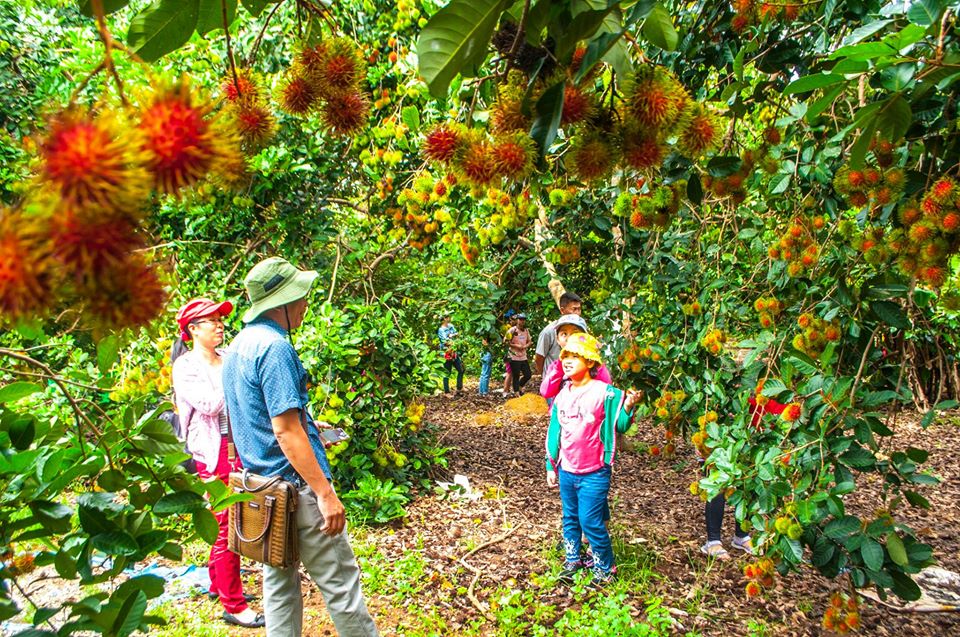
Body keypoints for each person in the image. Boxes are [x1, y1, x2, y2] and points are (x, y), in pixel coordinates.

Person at [221, 257, 378, 637]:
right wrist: (324, 493)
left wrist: (307, 423)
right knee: (342, 587)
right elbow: (285, 431)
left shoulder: (239, 345)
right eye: (302, 297)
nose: (306, 303)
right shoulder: (274, 348)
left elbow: (254, 417)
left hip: (261, 491)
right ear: (284, 303)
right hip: (297, 492)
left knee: (278, 587)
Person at [171, 298, 264, 629]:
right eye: (210, 320)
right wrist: (240, 382)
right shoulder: (186, 367)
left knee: (233, 518)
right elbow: (210, 405)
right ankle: (234, 605)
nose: (219, 325)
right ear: (193, 330)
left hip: (237, 449)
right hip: (212, 454)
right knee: (226, 526)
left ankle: (217, 584)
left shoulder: (227, 358)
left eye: (220, 319)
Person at [545, 333, 641, 587]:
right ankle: (573, 559)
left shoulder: (605, 393)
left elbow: (618, 425)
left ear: (589, 362)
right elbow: (555, 431)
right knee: (570, 517)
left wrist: (629, 406)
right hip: (567, 469)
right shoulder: (562, 395)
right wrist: (550, 464)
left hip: (594, 471)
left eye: (574, 356)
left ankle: (604, 567)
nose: (567, 361)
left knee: (590, 520)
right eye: (565, 356)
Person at [539, 314, 611, 400]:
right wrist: (559, 368)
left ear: (584, 337)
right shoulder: (555, 367)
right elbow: (546, 392)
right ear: (557, 340)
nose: (569, 338)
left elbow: (606, 393)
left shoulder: (594, 365)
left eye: (575, 333)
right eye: (564, 334)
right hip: (560, 412)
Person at [535, 291, 582, 376]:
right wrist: (546, 376)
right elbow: (539, 358)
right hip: (553, 380)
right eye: (574, 309)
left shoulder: (581, 330)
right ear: (562, 310)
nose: (577, 313)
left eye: (579, 309)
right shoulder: (548, 332)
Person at [504, 313, 532, 394]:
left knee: (528, 374)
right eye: (520, 319)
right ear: (517, 320)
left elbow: (530, 341)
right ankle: (516, 392)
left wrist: (525, 346)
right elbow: (505, 341)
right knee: (516, 375)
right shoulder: (512, 330)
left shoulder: (526, 330)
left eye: (523, 319)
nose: (522, 321)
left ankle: (519, 386)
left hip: (523, 356)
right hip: (514, 356)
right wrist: (516, 346)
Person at [437, 315, 464, 395]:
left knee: (461, 369)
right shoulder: (441, 330)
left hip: (454, 352)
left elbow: (457, 334)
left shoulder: (451, 326)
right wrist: (452, 339)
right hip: (447, 353)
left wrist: (452, 337)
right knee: (447, 372)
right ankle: (447, 392)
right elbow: (444, 341)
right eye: (448, 317)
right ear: (444, 319)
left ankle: (459, 388)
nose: (449, 318)